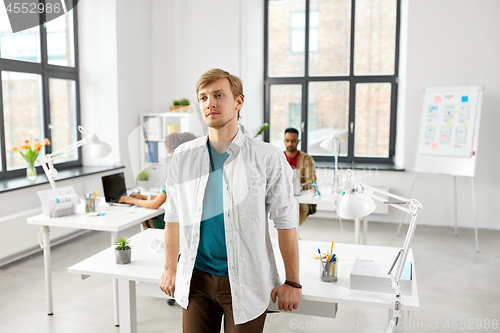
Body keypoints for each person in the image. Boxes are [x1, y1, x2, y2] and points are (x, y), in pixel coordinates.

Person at [159, 68, 301, 333]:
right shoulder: (182, 156)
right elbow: (173, 217)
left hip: (247, 279)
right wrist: (170, 268)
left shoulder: (267, 158)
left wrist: (292, 282)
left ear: (238, 102)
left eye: (218, 95)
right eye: (203, 97)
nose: (209, 103)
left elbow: (285, 220)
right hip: (196, 279)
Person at [119, 132, 197, 229]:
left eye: (170, 151)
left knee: (146, 218)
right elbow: (169, 196)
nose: (169, 155)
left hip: (178, 224)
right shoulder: (196, 171)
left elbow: (154, 204)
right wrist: (144, 196)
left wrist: (133, 200)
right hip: (193, 221)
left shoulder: (175, 175)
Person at [283, 127, 317, 225]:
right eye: (287, 140)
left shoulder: (306, 159)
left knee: (298, 210)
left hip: (299, 197)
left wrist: (300, 187)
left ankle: (293, 235)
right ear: (284, 141)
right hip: (281, 195)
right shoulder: (279, 157)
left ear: (298, 141)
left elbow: (311, 181)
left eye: (293, 141)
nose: (290, 144)